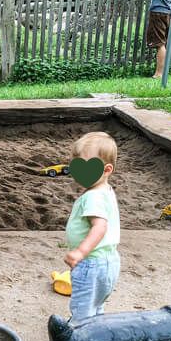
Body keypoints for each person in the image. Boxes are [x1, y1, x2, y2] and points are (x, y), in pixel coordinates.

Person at [64, 132, 121, 321]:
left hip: (91, 263)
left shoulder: (92, 197)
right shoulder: (106, 191)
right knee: (96, 307)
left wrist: (80, 252)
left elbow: (99, 227)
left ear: (106, 169)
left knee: (82, 311)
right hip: (109, 262)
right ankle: (96, 337)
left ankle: (78, 340)